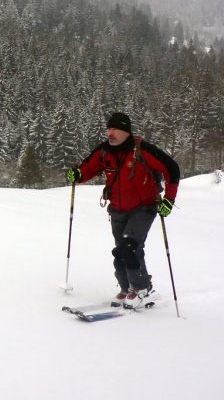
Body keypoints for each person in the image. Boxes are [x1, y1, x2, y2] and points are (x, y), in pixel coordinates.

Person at [66, 112, 180, 308]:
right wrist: (77, 175)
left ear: (126, 131)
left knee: (129, 246)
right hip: (117, 210)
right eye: (109, 129)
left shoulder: (141, 149)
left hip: (143, 207)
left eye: (115, 129)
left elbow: (171, 168)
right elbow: (88, 169)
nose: (110, 133)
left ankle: (141, 288)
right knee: (120, 251)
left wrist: (169, 199)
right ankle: (127, 288)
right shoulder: (104, 151)